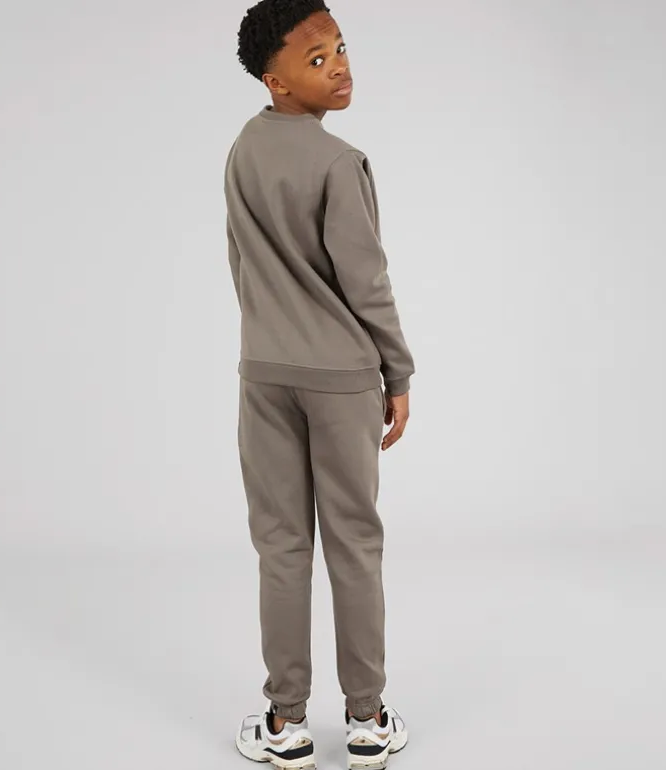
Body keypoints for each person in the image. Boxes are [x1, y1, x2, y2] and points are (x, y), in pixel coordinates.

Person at [225, 1, 415, 767]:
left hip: (264, 373)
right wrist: (397, 370)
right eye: (315, 60)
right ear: (275, 81)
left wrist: (271, 331)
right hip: (341, 379)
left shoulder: (242, 151)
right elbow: (367, 283)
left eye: (338, 47)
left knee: (281, 546)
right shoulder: (340, 163)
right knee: (354, 543)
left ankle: (286, 722)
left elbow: (240, 263)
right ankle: (367, 720)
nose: (338, 65)